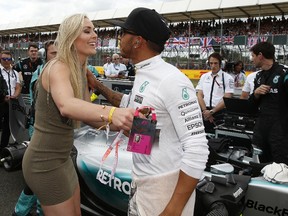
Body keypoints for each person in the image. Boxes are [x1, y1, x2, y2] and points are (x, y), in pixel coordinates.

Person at [87, 7, 209, 216]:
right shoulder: (145, 72)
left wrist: (173, 210)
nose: (119, 37)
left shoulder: (171, 80)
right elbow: (139, 111)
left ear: (138, 41)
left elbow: (198, 149)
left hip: (165, 191)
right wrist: (97, 86)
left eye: (123, 32)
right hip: (143, 183)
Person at [22, 14, 135, 216]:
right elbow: (67, 105)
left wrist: (124, 126)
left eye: (94, 30)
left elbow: (86, 115)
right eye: (87, 31)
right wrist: (112, 113)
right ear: (71, 37)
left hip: (64, 158)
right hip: (44, 162)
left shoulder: (80, 71)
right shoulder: (58, 66)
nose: (95, 35)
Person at [13, 40, 57, 216]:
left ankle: (31, 210)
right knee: (39, 174)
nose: (57, 57)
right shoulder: (42, 74)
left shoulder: (58, 71)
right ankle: (23, 211)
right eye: (53, 53)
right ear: (45, 56)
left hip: (55, 133)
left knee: (44, 175)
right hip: (40, 129)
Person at [249, 41, 288, 165]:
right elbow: (252, 105)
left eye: (253, 56)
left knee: (280, 168)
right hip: (261, 131)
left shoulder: (284, 73)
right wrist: (255, 94)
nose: (252, 59)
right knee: (260, 166)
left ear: (260, 55)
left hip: (280, 132)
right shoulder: (259, 76)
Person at [196, 52, 234, 133]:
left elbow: (227, 97)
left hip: (219, 113)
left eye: (216, 63)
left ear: (221, 64)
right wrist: (205, 111)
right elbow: (199, 95)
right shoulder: (204, 77)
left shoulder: (228, 78)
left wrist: (212, 111)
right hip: (204, 112)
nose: (213, 66)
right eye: (211, 63)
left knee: (217, 139)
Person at [0, 50, 22, 153]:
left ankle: (3, 149)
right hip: (1, 102)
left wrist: (15, 96)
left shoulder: (15, 72)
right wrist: (3, 97)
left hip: (11, 103)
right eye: (4, 59)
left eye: (8, 59)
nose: (6, 61)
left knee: (8, 127)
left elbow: (18, 86)